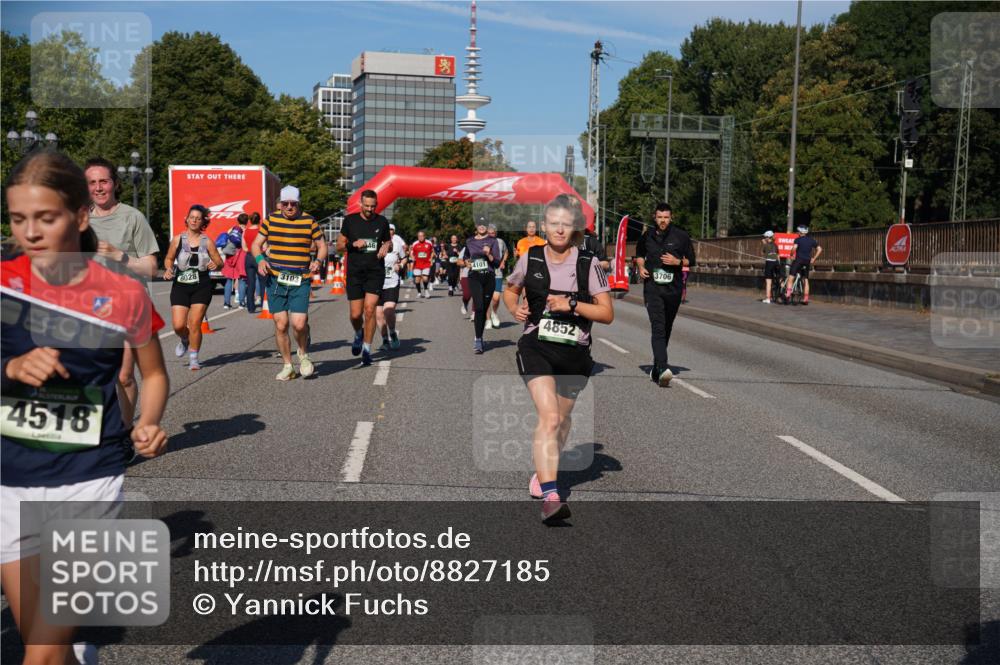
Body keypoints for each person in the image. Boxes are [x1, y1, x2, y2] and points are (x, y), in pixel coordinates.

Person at [2, 150, 169, 665]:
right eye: (18, 219)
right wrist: (11, 368)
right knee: (47, 647)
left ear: (79, 216)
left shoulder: (121, 293)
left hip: (88, 478)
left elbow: (154, 374)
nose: (30, 232)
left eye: (45, 218)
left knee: (42, 652)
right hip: (10, 478)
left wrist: (147, 422)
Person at [503, 194, 614, 524]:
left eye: (566, 224)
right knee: (549, 417)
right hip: (536, 345)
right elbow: (510, 289)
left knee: (562, 422)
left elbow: (607, 314)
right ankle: (551, 497)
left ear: (574, 227)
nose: (560, 230)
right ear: (545, 225)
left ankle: (542, 472)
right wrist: (513, 307)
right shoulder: (531, 258)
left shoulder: (588, 264)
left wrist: (572, 304)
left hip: (574, 353)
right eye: (554, 224)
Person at [83, 157, 159, 428]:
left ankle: (125, 433)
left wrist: (121, 257)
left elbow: (152, 267)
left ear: (114, 183)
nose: (98, 187)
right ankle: (96, 433)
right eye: (92, 182)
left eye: (103, 181)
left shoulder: (132, 217)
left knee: (124, 376)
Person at [252, 185, 327, 380]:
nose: (289, 207)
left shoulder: (309, 221)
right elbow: (256, 244)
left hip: (300, 278)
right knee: (281, 324)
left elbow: (322, 246)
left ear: (299, 203)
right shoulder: (271, 220)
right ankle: (288, 365)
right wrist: (260, 260)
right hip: (276, 278)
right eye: (285, 204)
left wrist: (318, 261)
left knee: (299, 324)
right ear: (280, 204)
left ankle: (303, 354)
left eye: (293, 204)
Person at [635, 203, 696, 387]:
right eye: (660, 217)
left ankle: (656, 367)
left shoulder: (681, 236)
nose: (663, 220)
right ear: (655, 218)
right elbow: (639, 254)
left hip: (673, 289)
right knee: (658, 327)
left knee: (667, 327)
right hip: (652, 288)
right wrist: (641, 267)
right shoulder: (647, 235)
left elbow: (692, 260)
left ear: (671, 218)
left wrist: (678, 262)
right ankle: (663, 367)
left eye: (666, 217)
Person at [162, 205, 224, 370]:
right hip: (180, 286)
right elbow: (169, 258)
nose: (194, 220)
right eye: (192, 217)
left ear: (203, 222)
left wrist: (216, 264)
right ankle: (184, 339)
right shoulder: (177, 239)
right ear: (187, 219)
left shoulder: (207, 241)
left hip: (201, 285)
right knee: (178, 325)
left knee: (195, 323)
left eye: (198, 218)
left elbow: (219, 262)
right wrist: (168, 268)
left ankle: (194, 358)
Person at [336, 189, 391, 366]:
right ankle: (359, 333)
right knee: (355, 315)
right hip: (355, 273)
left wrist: (387, 246)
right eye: (366, 206)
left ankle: (367, 350)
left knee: (370, 309)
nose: (369, 209)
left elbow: (388, 242)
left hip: (375, 272)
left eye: (373, 206)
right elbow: (339, 246)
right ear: (360, 203)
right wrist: (353, 244)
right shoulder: (350, 221)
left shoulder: (382, 221)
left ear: (377, 205)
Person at [460, 218, 502, 353]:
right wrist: (466, 262)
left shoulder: (493, 241)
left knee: (483, 309)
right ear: (476, 226)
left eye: (484, 224)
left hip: (489, 277)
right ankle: (478, 340)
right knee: (478, 307)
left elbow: (497, 263)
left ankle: (480, 335)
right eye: (480, 224)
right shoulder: (470, 241)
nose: (482, 226)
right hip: (474, 277)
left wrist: (489, 254)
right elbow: (465, 257)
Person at [785, 225, 822, 305]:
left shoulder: (798, 240)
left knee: (791, 277)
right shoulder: (812, 240)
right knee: (805, 279)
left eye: (797, 231)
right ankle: (805, 299)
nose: (797, 233)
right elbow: (819, 249)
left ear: (800, 232)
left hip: (798, 260)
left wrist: (791, 255)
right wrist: (814, 258)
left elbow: (794, 248)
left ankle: (788, 294)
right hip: (807, 261)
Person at [377, 245, 402, 351]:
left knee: (388, 310)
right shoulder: (373, 242)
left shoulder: (397, 243)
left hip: (391, 283)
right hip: (376, 284)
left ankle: (392, 332)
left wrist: (400, 265)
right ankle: (385, 340)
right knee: (378, 314)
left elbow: (404, 258)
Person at [221, 213, 248, 309]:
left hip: (230, 256)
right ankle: (241, 303)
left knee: (229, 279)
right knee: (241, 279)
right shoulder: (246, 231)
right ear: (247, 221)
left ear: (238, 220)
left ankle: (226, 303)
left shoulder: (232, 229)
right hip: (240, 256)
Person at [487, 224, 509, 329]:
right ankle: (488, 320)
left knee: (496, 298)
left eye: (493, 233)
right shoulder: (483, 242)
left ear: (496, 233)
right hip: (486, 272)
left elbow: (506, 252)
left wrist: (503, 262)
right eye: (489, 233)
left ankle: (494, 313)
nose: (491, 235)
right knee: (487, 298)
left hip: (497, 272)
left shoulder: (500, 241)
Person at [242, 212, 264, 313]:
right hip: (259, 257)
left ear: (250, 221)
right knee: (263, 282)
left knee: (251, 283)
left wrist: (251, 250)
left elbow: (244, 247)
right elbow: (265, 247)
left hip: (249, 257)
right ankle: (264, 305)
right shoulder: (261, 231)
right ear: (259, 220)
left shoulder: (245, 231)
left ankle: (250, 307)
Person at [410, 230, 435, 298]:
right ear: (418, 237)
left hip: (426, 263)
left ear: (424, 236)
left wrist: (431, 258)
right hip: (417, 264)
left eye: (422, 236)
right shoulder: (415, 244)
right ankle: (419, 292)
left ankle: (426, 290)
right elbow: (411, 253)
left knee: (425, 278)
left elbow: (432, 252)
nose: (421, 237)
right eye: (419, 236)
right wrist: (412, 258)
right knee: (417, 280)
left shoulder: (429, 243)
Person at [761, 230, 780, 304]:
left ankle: (768, 298)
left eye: (765, 237)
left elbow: (762, 253)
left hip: (769, 263)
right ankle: (782, 294)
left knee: (768, 281)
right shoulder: (775, 245)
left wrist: (764, 244)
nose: (764, 238)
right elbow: (778, 255)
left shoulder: (765, 245)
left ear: (767, 237)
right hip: (776, 262)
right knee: (779, 279)